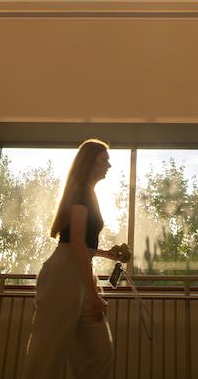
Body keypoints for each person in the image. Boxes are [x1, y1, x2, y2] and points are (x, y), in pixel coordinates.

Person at [22, 139, 121, 379]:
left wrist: (104, 253)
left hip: (78, 270)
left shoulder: (89, 194)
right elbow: (75, 242)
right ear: (90, 162)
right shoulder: (80, 193)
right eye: (104, 159)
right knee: (48, 353)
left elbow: (80, 243)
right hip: (64, 275)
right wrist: (94, 293)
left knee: (99, 354)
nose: (109, 165)